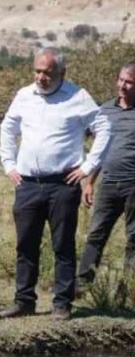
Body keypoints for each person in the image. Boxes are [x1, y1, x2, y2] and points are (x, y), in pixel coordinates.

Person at [0, 48, 110, 321]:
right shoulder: (24, 95)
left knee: (63, 245)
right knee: (25, 244)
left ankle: (62, 303)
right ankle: (24, 300)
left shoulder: (77, 96)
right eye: (37, 71)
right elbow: (8, 127)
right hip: (27, 183)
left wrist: (87, 166)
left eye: (47, 72)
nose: (41, 77)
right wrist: (8, 164)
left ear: (61, 73)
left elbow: (104, 127)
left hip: (62, 184)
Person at [79, 64, 135, 283]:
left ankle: (130, 288)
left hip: (133, 185)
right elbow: (97, 151)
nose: (123, 85)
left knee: (133, 238)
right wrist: (90, 183)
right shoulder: (104, 111)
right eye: (121, 80)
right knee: (96, 234)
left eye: (129, 82)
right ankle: (82, 283)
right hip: (108, 184)